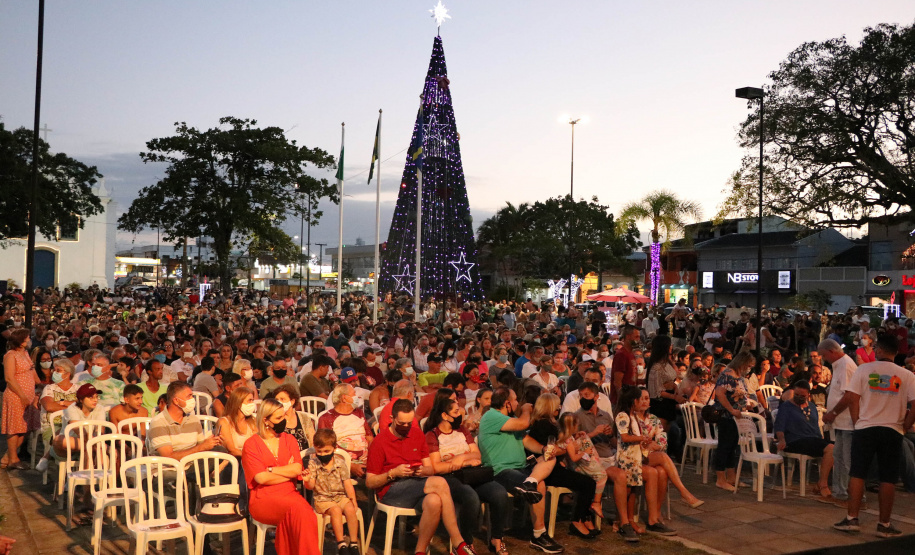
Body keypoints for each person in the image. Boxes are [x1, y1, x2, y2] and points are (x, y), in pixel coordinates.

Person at [828, 336, 915, 537]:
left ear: (880, 351)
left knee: (858, 473)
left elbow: (853, 398)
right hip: (892, 430)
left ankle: (852, 519)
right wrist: (906, 425)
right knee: (888, 478)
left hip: (866, 428)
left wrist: (858, 421)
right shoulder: (906, 375)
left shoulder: (864, 370)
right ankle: (884, 524)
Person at [366, 398, 477, 555]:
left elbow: (430, 469)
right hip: (392, 489)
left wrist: (423, 471)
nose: (406, 427)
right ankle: (459, 543)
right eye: (402, 423)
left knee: (434, 501)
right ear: (392, 419)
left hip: (416, 484)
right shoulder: (380, 442)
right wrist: (393, 473)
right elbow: (370, 482)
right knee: (439, 482)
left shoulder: (416, 434)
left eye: (409, 423)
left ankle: (420, 551)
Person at [477, 387, 564, 553]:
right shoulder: (491, 416)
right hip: (500, 470)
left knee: (549, 458)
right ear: (507, 403)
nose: (519, 403)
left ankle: (530, 482)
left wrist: (544, 449)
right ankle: (539, 535)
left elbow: (526, 439)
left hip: (521, 467)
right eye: (516, 399)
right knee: (540, 484)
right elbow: (524, 423)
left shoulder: (511, 419)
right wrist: (525, 411)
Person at [424, 397, 511, 555]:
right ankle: (465, 543)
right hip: (449, 477)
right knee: (471, 497)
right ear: (445, 415)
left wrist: (460, 458)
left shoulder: (462, 431)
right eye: (456, 411)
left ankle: (497, 538)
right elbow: (437, 467)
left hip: (472, 474)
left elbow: (476, 454)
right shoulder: (433, 435)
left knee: (499, 493)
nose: (460, 414)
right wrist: (463, 462)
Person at [242, 398, 320, 555]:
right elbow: (261, 479)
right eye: (278, 418)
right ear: (266, 420)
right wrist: (287, 471)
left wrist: (270, 470)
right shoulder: (251, 444)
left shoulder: (289, 439)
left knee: (305, 513)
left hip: (289, 493)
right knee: (301, 511)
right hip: (263, 498)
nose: (283, 420)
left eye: (283, 416)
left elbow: (297, 468)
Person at [614, 386, 676, 536]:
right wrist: (644, 439)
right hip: (628, 460)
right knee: (631, 488)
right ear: (633, 401)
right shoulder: (623, 416)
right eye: (640, 398)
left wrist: (650, 443)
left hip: (638, 457)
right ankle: (627, 522)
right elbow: (625, 437)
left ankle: (651, 518)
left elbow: (661, 437)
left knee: (652, 476)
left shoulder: (639, 418)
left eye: (646, 398)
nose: (643, 401)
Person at [774, 380, 835, 500]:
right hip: (795, 440)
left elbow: (815, 426)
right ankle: (822, 484)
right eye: (796, 395)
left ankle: (827, 483)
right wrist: (781, 440)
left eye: (802, 396)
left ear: (808, 395)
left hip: (812, 439)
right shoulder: (786, 406)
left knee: (838, 447)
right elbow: (779, 427)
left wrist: (820, 438)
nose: (799, 398)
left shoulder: (811, 406)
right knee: (831, 448)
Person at [303, 429, 361, 555]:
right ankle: (341, 544)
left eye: (326, 451)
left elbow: (347, 483)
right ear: (315, 449)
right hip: (323, 499)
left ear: (334, 448)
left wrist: (353, 500)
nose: (323, 454)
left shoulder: (340, 463)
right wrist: (307, 481)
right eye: (319, 451)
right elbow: (311, 486)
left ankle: (354, 542)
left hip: (340, 496)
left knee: (350, 508)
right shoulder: (313, 463)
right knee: (336, 510)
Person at [818, 338, 859, 508]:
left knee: (848, 460)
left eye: (824, 355)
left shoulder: (846, 366)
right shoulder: (839, 365)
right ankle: (840, 493)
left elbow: (850, 395)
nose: (823, 359)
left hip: (847, 421)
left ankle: (855, 496)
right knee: (839, 458)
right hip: (841, 422)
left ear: (832, 352)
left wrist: (833, 412)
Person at [712, 350, 756, 491]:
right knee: (724, 446)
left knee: (732, 447)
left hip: (737, 417)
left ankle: (732, 477)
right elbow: (720, 393)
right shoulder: (728, 375)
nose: (749, 369)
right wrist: (731, 410)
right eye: (748, 366)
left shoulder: (738, 376)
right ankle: (720, 478)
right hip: (727, 416)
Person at [147, 381, 222, 459]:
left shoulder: (193, 419)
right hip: (169, 468)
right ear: (176, 401)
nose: (192, 399)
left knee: (222, 452)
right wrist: (202, 447)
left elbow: (201, 445)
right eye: (189, 396)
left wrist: (212, 441)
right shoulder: (159, 422)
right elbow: (168, 457)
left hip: (193, 464)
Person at [557, 413, 607, 521]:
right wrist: (584, 452)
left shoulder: (566, 437)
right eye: (576, 426)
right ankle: (596, 503)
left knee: (585, 438)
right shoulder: (568, 441)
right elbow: (574, 458)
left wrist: (577, 436)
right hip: (576, 467)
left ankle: (592, 504)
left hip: (574, 465)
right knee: (602, 476)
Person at [2, 328, 39, 470]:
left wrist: (40, 385)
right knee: (14, 428)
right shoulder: (10, 355)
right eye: (27, 338)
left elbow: (31, 370)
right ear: (21, 341)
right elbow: (9, 378)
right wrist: (22, 396)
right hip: (16, 396)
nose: (29, 339)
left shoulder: (25, 353)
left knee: (24, 428)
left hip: (28, 396)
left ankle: (8, 457)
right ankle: (13, 459)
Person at [318, 383, 374, 477]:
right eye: (354, 394)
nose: (357, 397)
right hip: (342, 464)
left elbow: (370, 438)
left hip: (367, 461)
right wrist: (350, 466)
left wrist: (372, 459)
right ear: (344, 398)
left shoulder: (359, 413)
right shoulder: (326, 418)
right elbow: (326, 449)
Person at [35, 358, 80, 472]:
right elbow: (49, 407)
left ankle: (47, 456)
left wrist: (61, 403)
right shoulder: (49, 388)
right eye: (54, 370)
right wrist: (71, 407)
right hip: (52, 425)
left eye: (58, 370)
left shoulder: (77, 389)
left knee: (77, 433)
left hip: (74, 425)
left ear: (67, 374)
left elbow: (82, 407)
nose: (54, 373)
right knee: (67, 432)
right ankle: (69, 473)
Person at [266, 384, 315, 451]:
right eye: (277, 400)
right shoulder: (274, 419)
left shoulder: (304, 417)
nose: (279, 402)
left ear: (292, 401)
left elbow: (313, 441)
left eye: (282, 399)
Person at [610, 326, 639, 404]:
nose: (638, 339)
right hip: (622, 400)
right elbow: (617, 382)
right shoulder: (621, 354)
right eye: (636, 337)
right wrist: (621, 400)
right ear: (628, 336)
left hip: (630, 397)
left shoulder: (631, 354)